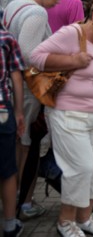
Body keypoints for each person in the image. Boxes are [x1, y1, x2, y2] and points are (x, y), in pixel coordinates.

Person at [30, 0, 93, 236]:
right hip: (69, 114)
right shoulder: (72, 34)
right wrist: (72, 60)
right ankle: (65, 221)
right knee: (81, 168)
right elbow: (36, 58)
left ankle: (85, 218)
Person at [3, 0, 66, 221]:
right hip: (27, 90)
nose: (58, 1)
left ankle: (14, 200)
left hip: (10, 82)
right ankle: (19, 202)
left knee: (18, 142)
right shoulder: (37, 12)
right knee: (25, 144)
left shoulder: (15, 4)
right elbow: (29, 55)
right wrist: (63, 62)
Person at [0, 28, 25, 237]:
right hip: (2, 109)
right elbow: (16, 77)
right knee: (7, 170)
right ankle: (9, 223)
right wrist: (19, 111)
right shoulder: (6, 38)